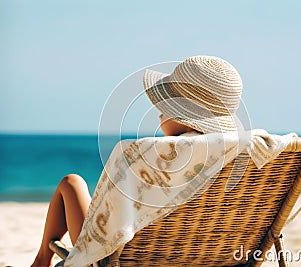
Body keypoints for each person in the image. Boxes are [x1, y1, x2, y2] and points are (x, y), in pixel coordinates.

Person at [31, 55, 243, 266]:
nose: (159, 112)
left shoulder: (150, 155)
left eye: (167, 104)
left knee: (71, 183)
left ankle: (41, 261)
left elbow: (110, 220)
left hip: (123, 259)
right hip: (203, 257)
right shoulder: (236, 158)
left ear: (184, 115)